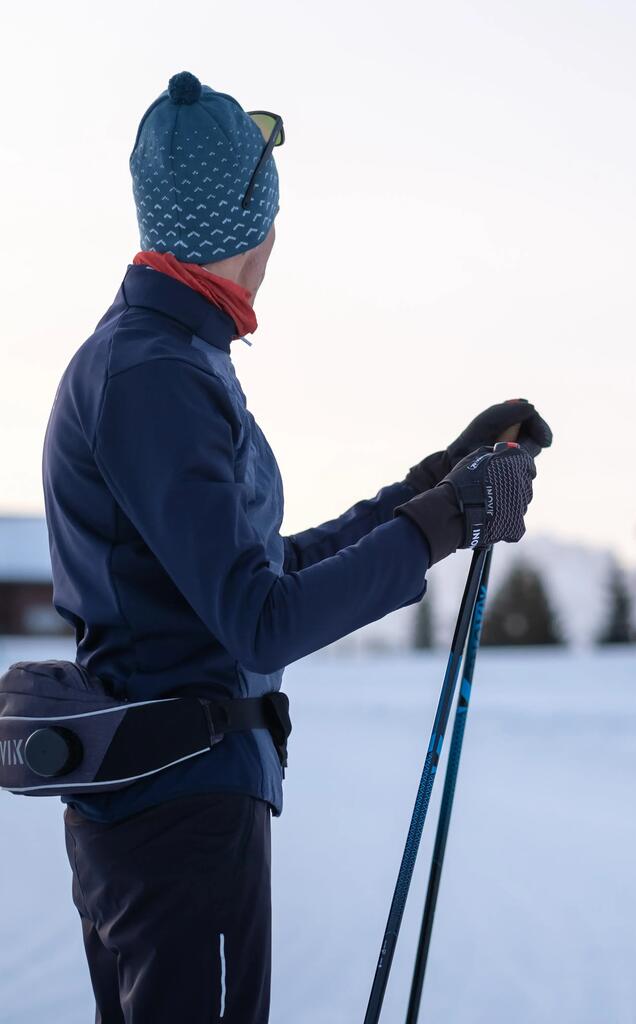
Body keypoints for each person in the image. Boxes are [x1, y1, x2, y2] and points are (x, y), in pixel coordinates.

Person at [43, 71, 552, 1024]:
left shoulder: (170, 357)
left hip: (172, 804)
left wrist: (431, 487)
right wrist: (445, 521)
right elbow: (261, 620)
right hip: (177, 817)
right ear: (251, 220)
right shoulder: (153, 373)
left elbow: (253, 571)